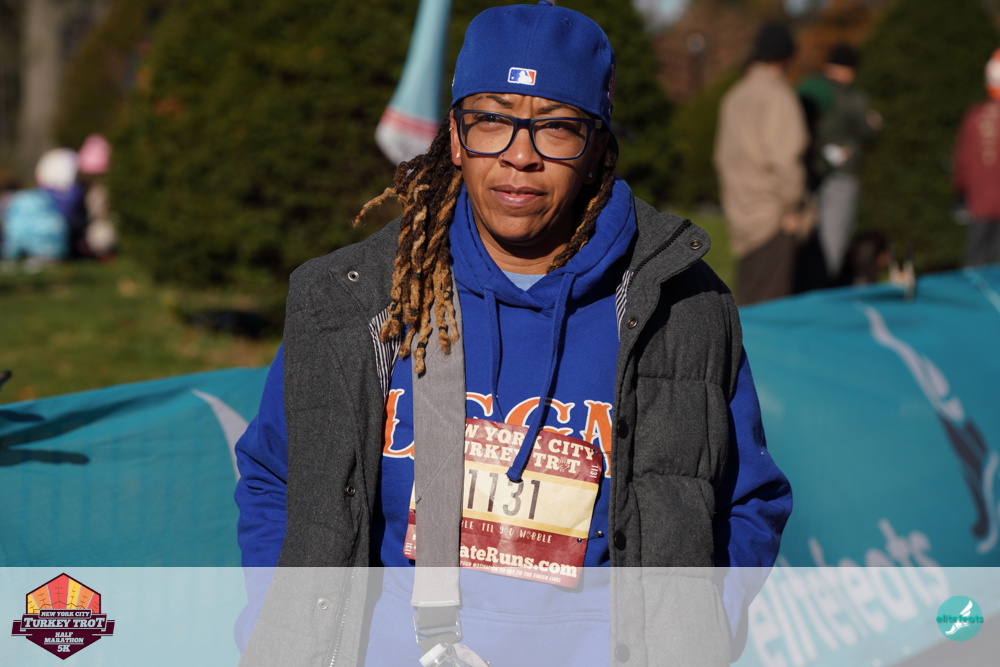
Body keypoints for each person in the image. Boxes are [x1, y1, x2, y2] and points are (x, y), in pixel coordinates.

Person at [235, 3, 792, 665]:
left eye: (555, 128)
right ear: (455, 136)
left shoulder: (682, 308)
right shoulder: (353, 302)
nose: (520, 156)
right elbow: (275, 479)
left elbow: (749, 501)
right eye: (492, 121)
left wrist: (696, 632)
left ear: (597, 148)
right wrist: (287, 629)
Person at [714, 22, 810, 305]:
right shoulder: (779, 96)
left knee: (748, 311)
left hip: (741, 217)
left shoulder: (734, 97)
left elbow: (722, 158)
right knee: (772, 315)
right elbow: (785, 160)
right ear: (786, 58)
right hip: (773, 219)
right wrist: (792, 208)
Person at [808, 43, 881, 284]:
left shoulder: (808, 88)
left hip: (809, 173)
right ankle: (823, 289)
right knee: (833, 241)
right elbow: (867, 128)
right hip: (841, 174)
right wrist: (874, 123)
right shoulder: (850, 97)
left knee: (808, 239)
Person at [952, 49, 1000, 267]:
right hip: (985, 202)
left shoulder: (974, 116)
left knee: (975, 264)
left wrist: (960, 193)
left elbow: (962, 161)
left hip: (978, 202)